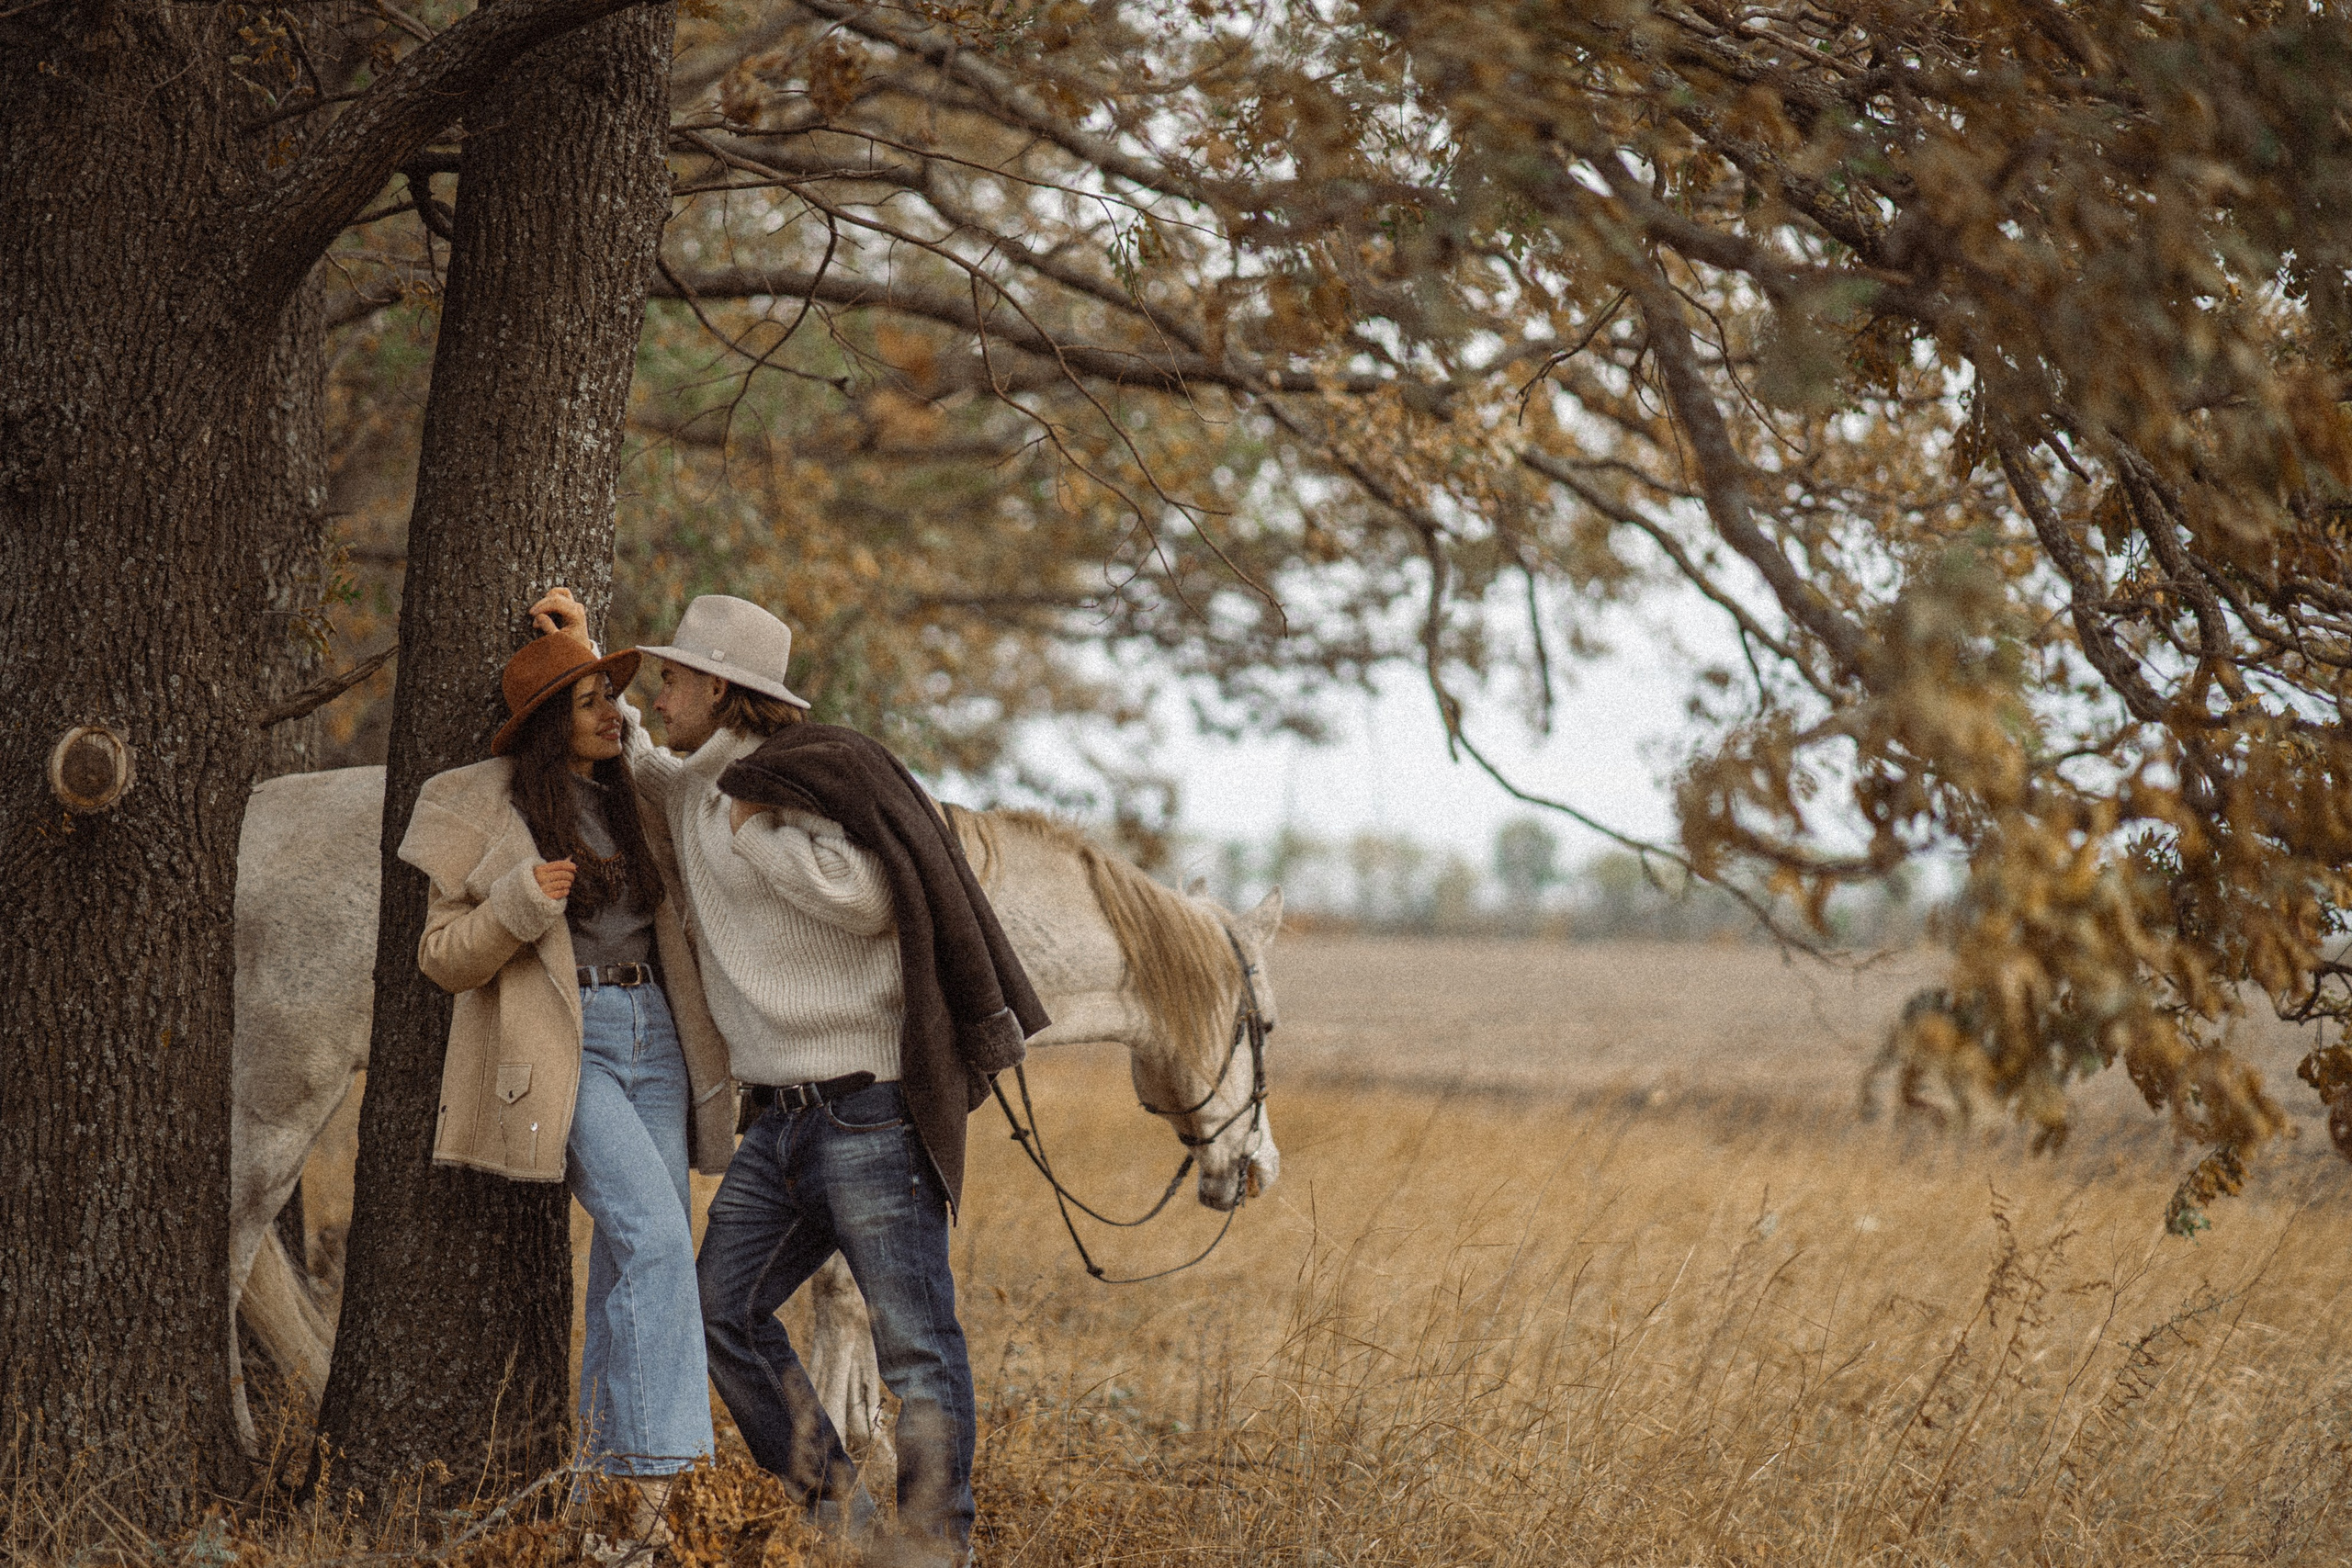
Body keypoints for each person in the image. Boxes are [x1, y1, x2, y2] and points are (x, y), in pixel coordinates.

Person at [528, 587, 1045, 1567]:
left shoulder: (796, 781)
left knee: (917, 1349)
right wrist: (579, 649)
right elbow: (635, 751)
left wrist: (757, 832)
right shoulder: (692, 785)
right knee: (723, 1313)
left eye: (672, 677)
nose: (659, 690)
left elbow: (869, 898)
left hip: (868, 1111)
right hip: (778, 1126)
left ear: (718, 688)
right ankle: (845, 1526)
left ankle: (937, 1549)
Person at [394, 624, 737, 1549]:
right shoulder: (497, 814)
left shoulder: (635, 801)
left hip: (656, 1036)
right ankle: (657, 1494)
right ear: (551, 723)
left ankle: (598, 1509)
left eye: (616, 702)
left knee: (635, 1257)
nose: (615, 715)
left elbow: (624, 714)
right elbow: (440, 961)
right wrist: (518, 901)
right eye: (590, 704)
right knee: (657, 1238)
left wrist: (580, 635)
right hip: (564, 1048)